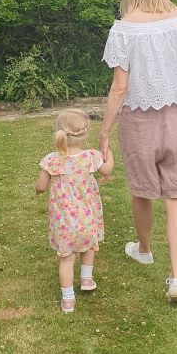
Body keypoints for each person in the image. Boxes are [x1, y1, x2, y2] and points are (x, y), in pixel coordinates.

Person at [99, 0, 177, 304]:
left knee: (142, 189)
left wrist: (104, 132)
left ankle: (145, 249)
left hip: (139, 121)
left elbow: (119, 87)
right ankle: (176, 278)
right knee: (176, 197)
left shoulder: (123, 29)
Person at [35, 108, 115, 314]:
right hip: (87, 218)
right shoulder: (90, 157)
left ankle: (68, 299)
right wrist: (109, 152)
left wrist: (37, 190)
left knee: (66, 258)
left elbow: (41, 186)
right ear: (85, 133)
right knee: (89, 245)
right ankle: (86, 278)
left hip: (64, 221)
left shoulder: (51, 160)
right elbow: (107, 170)